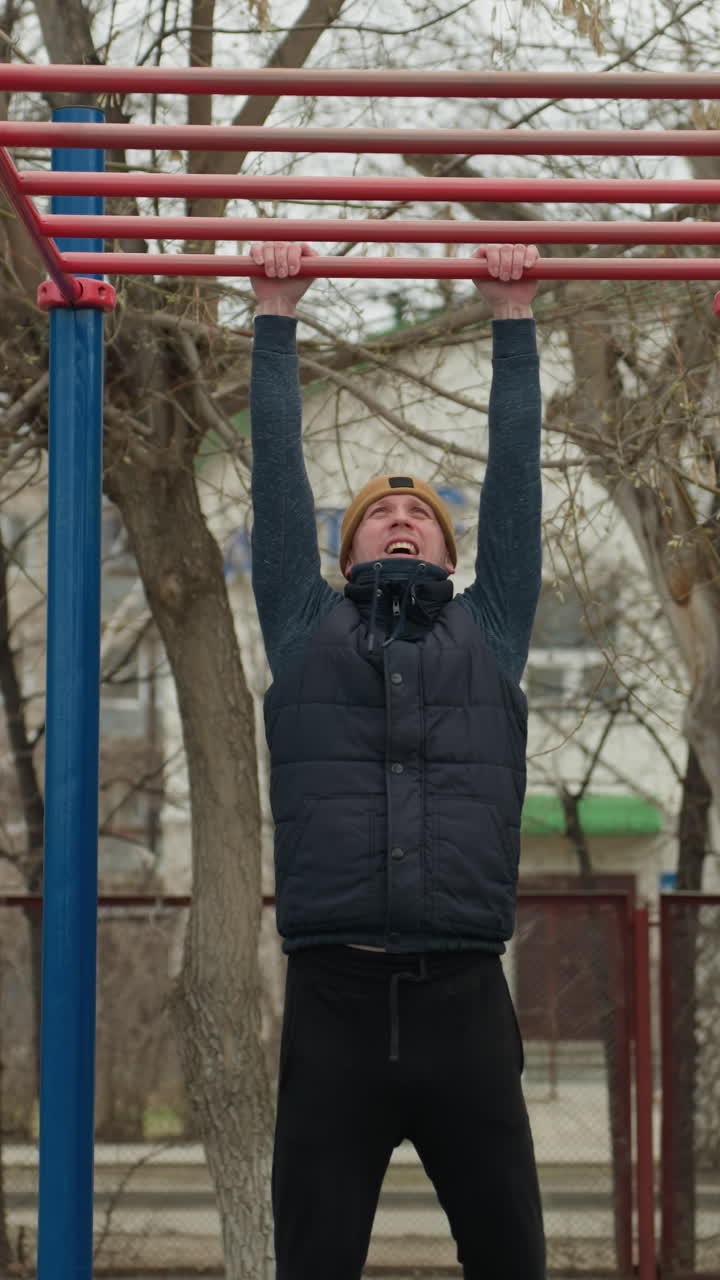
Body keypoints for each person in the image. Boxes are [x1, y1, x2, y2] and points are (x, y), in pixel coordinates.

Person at [249, 238, 545, 1280]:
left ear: (452, 557)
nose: (405, 517)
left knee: (510, 1254)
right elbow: (277, 490)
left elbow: (516, 488)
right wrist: (276, 314)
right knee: (315, 1259)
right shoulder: (301, 624)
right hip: (331, 1000)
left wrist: (512, 316)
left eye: (423, 512)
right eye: (383, 510)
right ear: (349, 551)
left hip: (464, 996)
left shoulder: (491, 630)